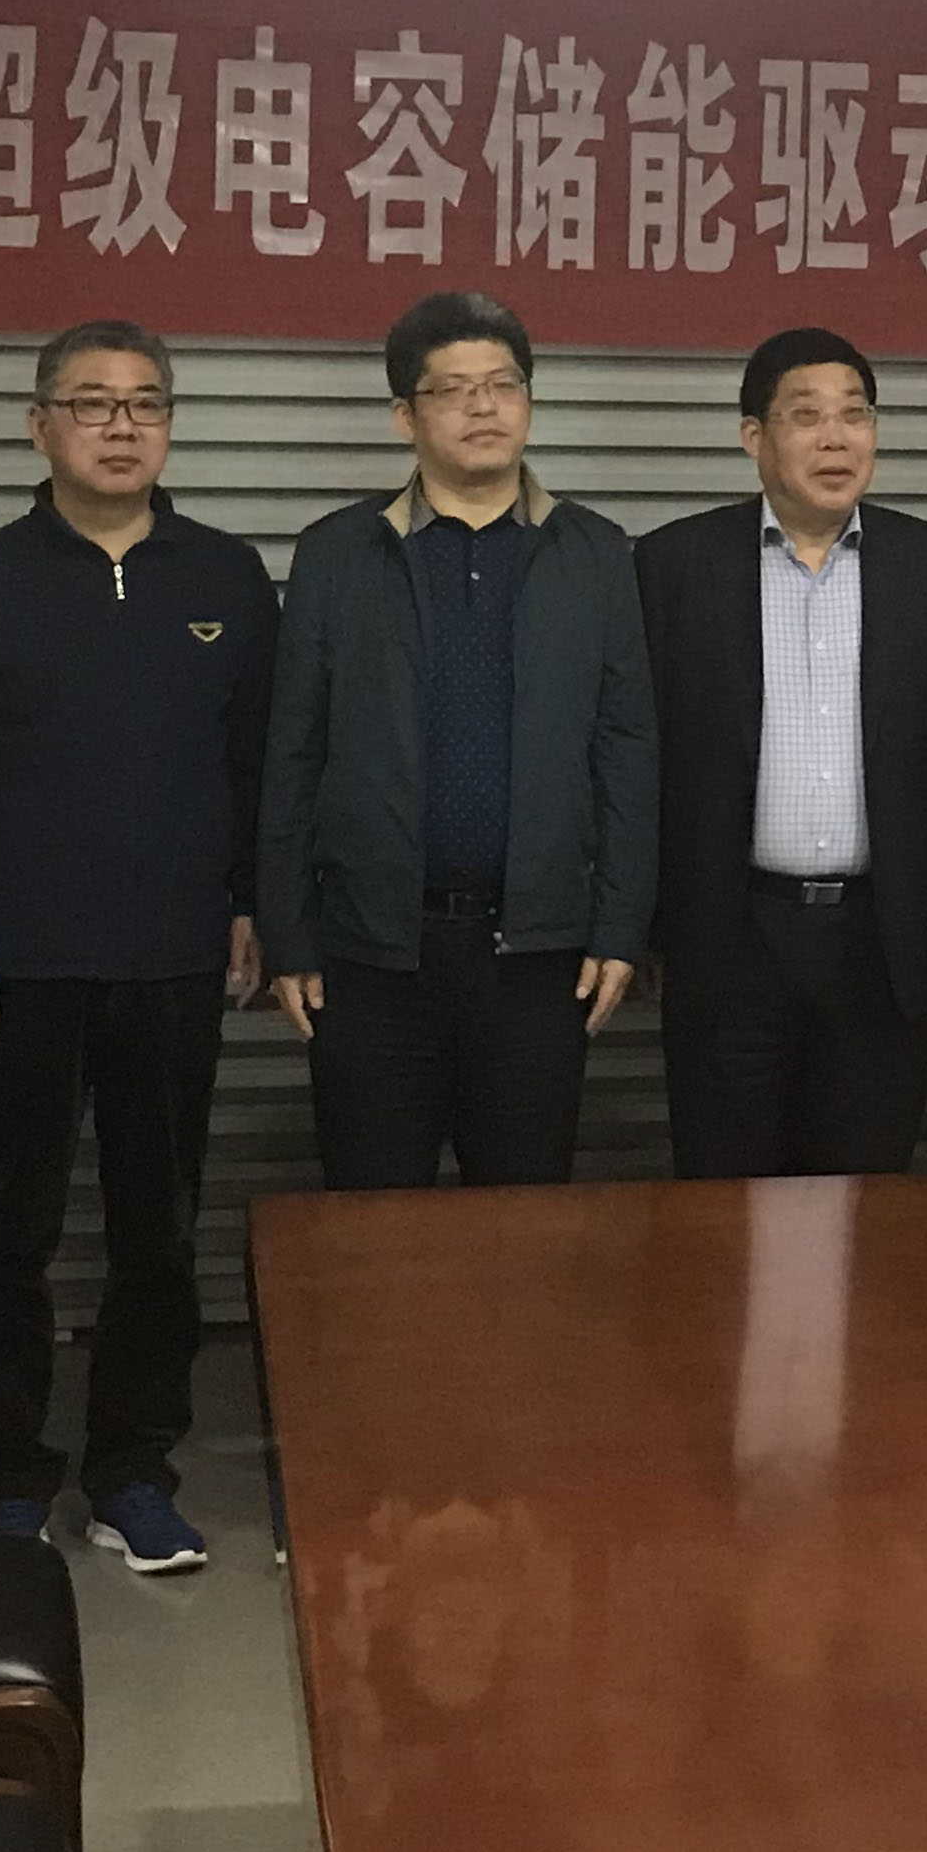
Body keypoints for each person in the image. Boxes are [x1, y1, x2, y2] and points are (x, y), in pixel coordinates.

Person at [0, 320, 274, 1575]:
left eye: (145, 404)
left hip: (172, 958)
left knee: (158, 1232)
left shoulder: (225, 578)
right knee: (10, 1234)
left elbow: (256, 766)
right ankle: (6, 1473)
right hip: (18, 963)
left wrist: (248, 903)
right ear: (39, 424)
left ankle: (132, 1472)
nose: (121, 426)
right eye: (93, 402)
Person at [259, 292, 654, 1190]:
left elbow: (626, 750)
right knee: (372, 1220)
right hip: (373, 953)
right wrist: (288, 933)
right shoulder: (338, 553)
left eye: (503, 385)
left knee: (522, 1225)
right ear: (405, 416)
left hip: (539, 956)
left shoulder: (595, 553)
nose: (484, 407)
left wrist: (621, 926)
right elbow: (294, 752)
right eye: (453, 390)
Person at [638, 328, 927, 1177]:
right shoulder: (674, 567)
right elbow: (643, 760)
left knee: (863, 1199)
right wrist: (646, 927)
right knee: (726, 1199)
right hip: (731, 934)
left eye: (855, 416)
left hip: (879, 936)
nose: (836, 439)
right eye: (807, 416)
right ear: (754, 436)